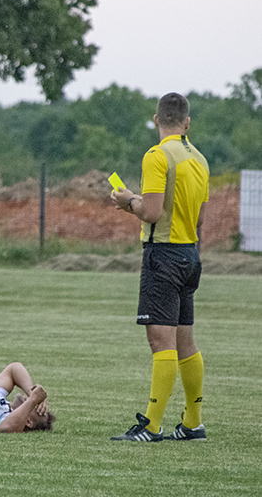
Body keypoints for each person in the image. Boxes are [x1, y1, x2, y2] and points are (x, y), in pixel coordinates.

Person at [110, 92, 209, 442]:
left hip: (163, 255)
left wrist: (128, 201)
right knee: (186, 342)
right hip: (190, 253)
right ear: (187, 122)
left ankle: (151, 425)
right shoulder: (199, 158)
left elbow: (150, 212)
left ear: (156, 120)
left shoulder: (157, 155)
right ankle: (193, 423)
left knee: (160, 341)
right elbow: (199, 217)